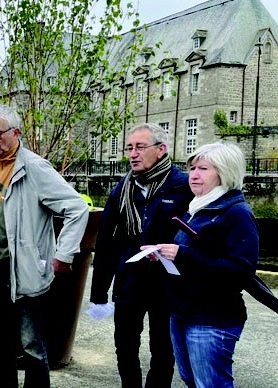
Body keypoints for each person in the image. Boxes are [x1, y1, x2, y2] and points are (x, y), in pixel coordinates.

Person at [0, 104, 89, 388]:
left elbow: (77, 208)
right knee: (0, 342)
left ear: (16, 132)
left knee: (30, 343)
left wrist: (64, 254)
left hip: (25, 269)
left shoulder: (34, 167)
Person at [143, 142, 258, 387]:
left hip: (212, 318)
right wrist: (163, 256)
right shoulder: (197, 208)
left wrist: (182, 255)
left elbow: (241, 271)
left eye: (204, 168)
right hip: (183, 311)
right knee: (191, 379)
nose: (193, 174)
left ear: (225, 172)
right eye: (193, 168)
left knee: (210, 383)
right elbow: (195, 261)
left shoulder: (236, 213)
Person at [88, 123, 194, 388]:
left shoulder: (183, 187)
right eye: (130, 148)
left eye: (140, 147)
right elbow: (105, 243)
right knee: (124, 348)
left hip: (167, 285)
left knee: (163, 351)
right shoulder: (123, 188)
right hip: (129, 281)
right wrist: (99, 294)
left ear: (161, 150)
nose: (133, 154)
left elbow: (195, 235)